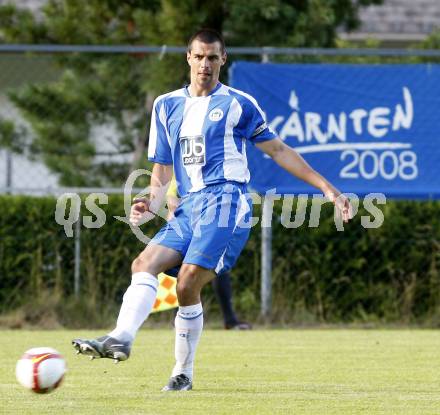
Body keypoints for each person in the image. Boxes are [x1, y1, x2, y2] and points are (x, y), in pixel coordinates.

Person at [72, 28, 352, 392]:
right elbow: (162, 170)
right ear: (188, 58)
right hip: (188, 206)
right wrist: (151, 202)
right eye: (199, 56)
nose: (205, 64)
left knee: (188, 283)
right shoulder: (166, 105)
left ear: (223, 60)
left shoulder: (239, 103)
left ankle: (181, 372)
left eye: (213, 57)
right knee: (143, 265)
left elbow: (279, 151)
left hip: (226, 203)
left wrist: (328, 188)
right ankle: (121, 338)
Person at [166, 175, 251, 330]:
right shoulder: (182, 163)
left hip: (212, 213)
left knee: (216, 268)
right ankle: (179, 319)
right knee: (183, 273)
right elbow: (172, 192)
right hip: (188, 217)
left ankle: (229, 320)